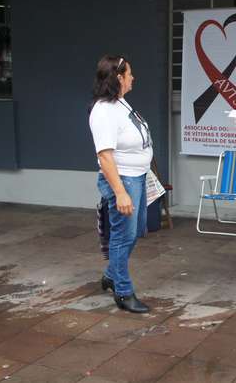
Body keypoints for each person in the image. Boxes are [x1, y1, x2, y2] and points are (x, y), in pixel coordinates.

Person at [88, 55, 152, 313]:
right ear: (118, 78)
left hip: (137, 176)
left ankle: (111, 275)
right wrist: (120, 192)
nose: (133, 78)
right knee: (122, 237)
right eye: (129, 74)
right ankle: (123, 293)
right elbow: (104, 155)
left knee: (133, 233)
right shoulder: (103, 110)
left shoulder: (120, 103)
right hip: (123, 180)